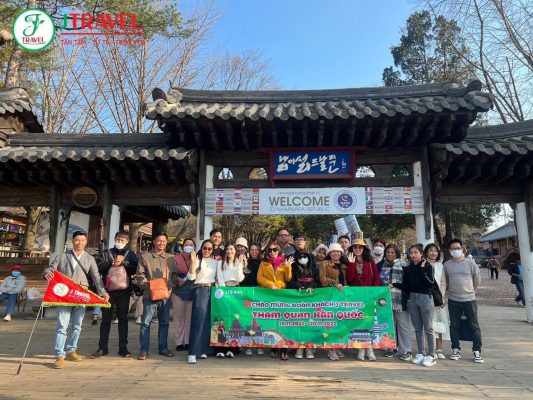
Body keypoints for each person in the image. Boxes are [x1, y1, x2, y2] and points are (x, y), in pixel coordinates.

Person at [43, 231, 109, 369]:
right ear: (73, 241)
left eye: (82, 240)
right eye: (77, 240)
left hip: (81, 294)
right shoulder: (62, 256)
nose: (80, 243)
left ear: (86, 242)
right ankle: (59, 355)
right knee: (62, 325)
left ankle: (71, 350)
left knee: (77, 325)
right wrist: (47, 272)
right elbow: (50, 268)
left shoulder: (90, 258)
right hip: (64, 294)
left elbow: (96, 277)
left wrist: (102, 292)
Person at [91, 231, 138, 359]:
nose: (120, 242)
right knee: (105, 320)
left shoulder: (131, 254)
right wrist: (111, 263)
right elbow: (98, 269)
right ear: (114, 239)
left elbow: (135, 269)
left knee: (123, 319)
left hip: (124, 291)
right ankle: (102, 348)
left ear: (127, 241)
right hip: (107, 291)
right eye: (118, 239)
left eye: (122, 240)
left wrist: (124, 263)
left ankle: (123, 348)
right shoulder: (106, 253)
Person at [136, 232, 175, 360]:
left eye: (164, 241)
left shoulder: (171, 258)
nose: (161, 243)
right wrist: (150, 285)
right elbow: (139, 275)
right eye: (159, 240)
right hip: (149, 295)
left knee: (164, 323)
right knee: (145, 323)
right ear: (154, 241)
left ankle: (163, 348)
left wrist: (171, 283)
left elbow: (175, 275)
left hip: (166, 296)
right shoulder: (145, 256)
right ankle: (144, 350)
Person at [444, 238, 483, 363]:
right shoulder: (447, 265)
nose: (455, 250)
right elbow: (446, 281)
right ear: (449, 250)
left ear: (462, 249)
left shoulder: (471, 263)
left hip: (469, 299)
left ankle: (477, 351)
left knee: (474, 325)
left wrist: (470, 291)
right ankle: (455, 349)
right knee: (454, 325)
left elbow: (477, 280)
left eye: (458, 248)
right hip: (453, 299)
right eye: (453, 249)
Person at [257, 242, 293, 360]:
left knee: (282, 322)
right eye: (270, 250)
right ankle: (273, 348)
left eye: (275, 250)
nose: (272, 252)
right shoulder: (263, 263)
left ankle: (284, 350)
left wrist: (288, 267)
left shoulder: (284, 262)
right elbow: (259, 278)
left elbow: (288, 279)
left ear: (279, 251)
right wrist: (270, 285)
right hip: (268, 295)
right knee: (272, 321)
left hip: (281, 295)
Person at [403, 243, 437, 367]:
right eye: (411, 253)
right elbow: (406, 286)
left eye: (416, 252)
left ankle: (431, 354)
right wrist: (394, 285)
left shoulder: (427, 266)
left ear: (421, 253)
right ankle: (421, 352)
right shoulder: (408, 267)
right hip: (412, 298)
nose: (413, 255)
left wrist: (423, 271)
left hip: (425, 298)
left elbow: (430, 284)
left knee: (428, 328)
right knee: (417, 328)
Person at [346, 238, 380, 361]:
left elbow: (376, 278)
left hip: (369, 297)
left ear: (364, 249)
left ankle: (369, 349)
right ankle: (361, 348)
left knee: (369, 322)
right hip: (356, 297)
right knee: (358, 322)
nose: (357, 249)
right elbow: (349, 279)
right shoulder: (349, 261)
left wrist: (374, 293)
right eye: (355, 247)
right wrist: (351, 264)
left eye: (360, 247)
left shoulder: (370, 262)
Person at [187, 239, 219, 364]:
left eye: (209, 249)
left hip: (212, 291)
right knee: (198, 321)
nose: (207, 250)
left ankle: (204, 349)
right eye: (205, 248)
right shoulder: (197, 260)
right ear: (201, 248)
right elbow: (191, 277)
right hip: (200, 290)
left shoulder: (216, 262)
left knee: (208, 321)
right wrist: (192, 263)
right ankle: (193, 352)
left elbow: (218, 277)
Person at [381, 244, 413, 361]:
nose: (390, 254)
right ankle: (391, 347)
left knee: (403, 326)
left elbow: (408, 284)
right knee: (389, 325)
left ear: (397, 254)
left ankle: (406, 350)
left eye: (392, 252)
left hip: (400, 300)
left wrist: (394, 285)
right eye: (388, 252)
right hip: (384, 300)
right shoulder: (380, 265)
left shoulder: (404, 265)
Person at [215, 244, 245, 358]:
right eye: (227, 249)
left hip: (236, 291)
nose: (229, 251)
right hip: (225, 291)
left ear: (235, 251)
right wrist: (224, 292)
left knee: (234, 319)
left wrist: (239, 265)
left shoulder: (238, 262)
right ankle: (220, 348)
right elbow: (220, 277)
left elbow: (240, 278)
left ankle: (232, 348)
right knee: (223, 319)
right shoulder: (220, 263)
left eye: (231, 249)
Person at [289, 249, 320, 360]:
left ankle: (309, 347)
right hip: (298, 302)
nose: (302, 259)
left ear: (309, 258)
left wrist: (311, 286)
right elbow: (290, 281)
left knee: (310, 324)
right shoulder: (294, 269)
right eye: (300, 257)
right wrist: (297, 284)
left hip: (311, 301)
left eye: (305, 256)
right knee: (299, 324)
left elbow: (318, 282)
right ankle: (299, 347)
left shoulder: (314, 269)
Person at [319, 243, 346, 361]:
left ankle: (337, 346)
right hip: (329, 297)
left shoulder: (344, 265)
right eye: (333, 251)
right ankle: (331, 349)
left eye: (338, 251)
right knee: (331, 322)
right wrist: (334, 283)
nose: (336, 253)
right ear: (329, 253)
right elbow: (322, 279)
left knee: (340, 322)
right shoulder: (324, 263)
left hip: (342, 297)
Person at [424, 243, 449, 360]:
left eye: (435, 251)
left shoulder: (440, 266)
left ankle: (439, 349)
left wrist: (441, 297)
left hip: (439, 300)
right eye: (431, 250)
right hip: (426, 299)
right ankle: (431, 349)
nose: (433, 253)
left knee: (439, 324)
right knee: (429, 325)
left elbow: (443, 282)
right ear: (426, 252)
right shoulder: (423, 264)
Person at [171, 238, 196, 352]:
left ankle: (188, 341)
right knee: (178, 317)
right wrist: (177, 279)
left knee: (189, 318)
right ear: (182, 246)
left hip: (192, 290)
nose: (188, 246)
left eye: (191, 245)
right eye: (186, 244)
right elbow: (171, 273)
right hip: (178, 291)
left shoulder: (197, 259)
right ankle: (179, 342)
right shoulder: (176, 258)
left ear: (194, 247)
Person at [241, 243, 264, 356]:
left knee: (258, 319)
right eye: (252, 250)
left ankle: (259, 344)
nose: (254, 252)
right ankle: (248, 345)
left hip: (260, 294)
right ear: (249, 251)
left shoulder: (263, 263)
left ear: (259, 251)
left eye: (256, 250)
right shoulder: (245, 262)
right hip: (247, 294)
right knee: (248, 319)